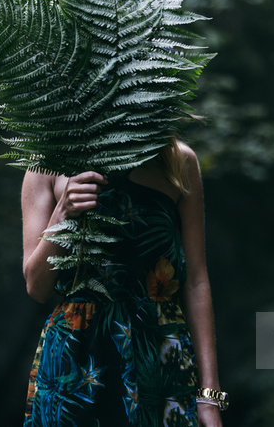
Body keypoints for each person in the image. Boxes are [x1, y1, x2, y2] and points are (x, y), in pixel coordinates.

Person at [22, 139, 227, 426]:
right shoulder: (47, 162)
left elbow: (195, 281)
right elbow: (36, 287)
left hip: (158, 353)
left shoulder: (177, 159)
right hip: (78, 355)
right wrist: (63, 215)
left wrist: (210, 397)